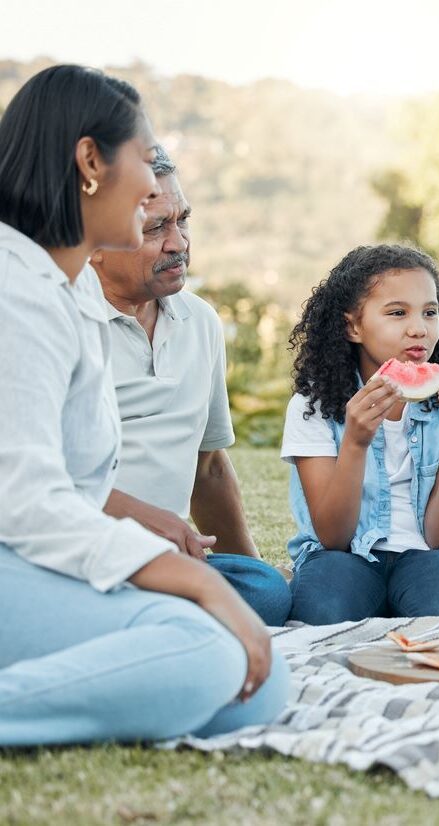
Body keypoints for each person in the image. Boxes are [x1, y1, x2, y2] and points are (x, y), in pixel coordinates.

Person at [0, 65, 288, 746]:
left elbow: (93, 487)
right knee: (211, 647)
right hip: (18, 555)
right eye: (145, 158)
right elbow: (26, 502)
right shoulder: (15, 295)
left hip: (46, 561)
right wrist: (200, 583)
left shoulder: (65, 292)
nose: (154, 183)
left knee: (260, 682)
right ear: (90, 162)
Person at [90, 146, 291, 625]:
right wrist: (138, 517)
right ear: (93, 243)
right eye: (155, 227)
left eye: (183, 221)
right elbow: (32, 486)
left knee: (265, 593)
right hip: (82, 551)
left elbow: (209, 469)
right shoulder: (57, 323)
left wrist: (252, 568)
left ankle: (165, 612)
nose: (178, 242)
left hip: (170, 561)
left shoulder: (199, 321)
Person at [282, 244, 439, 624]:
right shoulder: (313, 406)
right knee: (323, 608)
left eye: (429, 312)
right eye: (397, 313)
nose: (418, 328)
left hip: (425, 555)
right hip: (342, 556)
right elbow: (333, 537)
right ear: (353, 326)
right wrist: (355, 442)